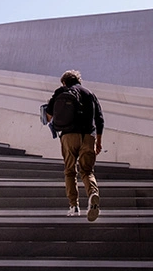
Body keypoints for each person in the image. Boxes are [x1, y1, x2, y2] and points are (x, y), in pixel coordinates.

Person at [46, 69, 104, 221]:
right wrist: (98, 141)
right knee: (87, 171)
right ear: (79, 81)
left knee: (70, 171)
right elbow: (99, 119)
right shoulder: (89, 94)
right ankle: (92, 194)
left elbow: (49, 113)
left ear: (64, 81)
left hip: (68, 136)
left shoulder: (61, 91)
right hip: (88, 137)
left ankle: (74, 206)